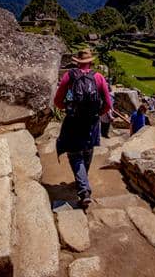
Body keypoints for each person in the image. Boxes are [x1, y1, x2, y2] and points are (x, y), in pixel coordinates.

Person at [54, 48, 112, 207]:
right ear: (91, 62)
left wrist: (67, 108)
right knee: (87, 150)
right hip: (92, 123)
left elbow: (57, 101)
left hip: (73, 121)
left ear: (77, 62)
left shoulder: (69, 76)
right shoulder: (99, 78)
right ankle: (83, 181)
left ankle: (84, 190)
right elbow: (108, 104)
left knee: (75, 155)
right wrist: (97, 114)